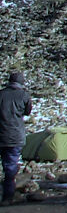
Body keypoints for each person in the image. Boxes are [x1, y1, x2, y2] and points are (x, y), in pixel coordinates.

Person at [0, 72, 32, 206]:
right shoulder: (24, 95)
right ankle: (8, 197)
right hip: (15, 136)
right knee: (10, 166)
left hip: (1, 134)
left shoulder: (1, 94)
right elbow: (27, 111)